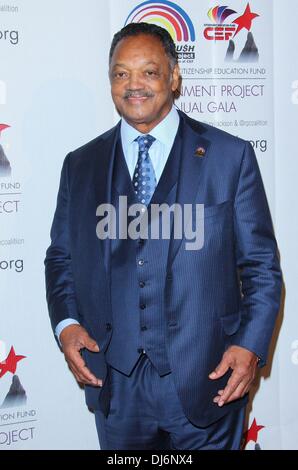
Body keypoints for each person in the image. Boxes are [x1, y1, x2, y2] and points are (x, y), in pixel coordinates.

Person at [44, 23, 282, 450]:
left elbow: (262, 268)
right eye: (121, 74)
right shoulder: (80, 165)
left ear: (174, 77)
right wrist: (66, 323)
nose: (133, 85)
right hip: (115, 384)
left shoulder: (230, 157)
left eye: (149, 72)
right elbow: (60, 257)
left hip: (207, 381)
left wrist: (249, 346)